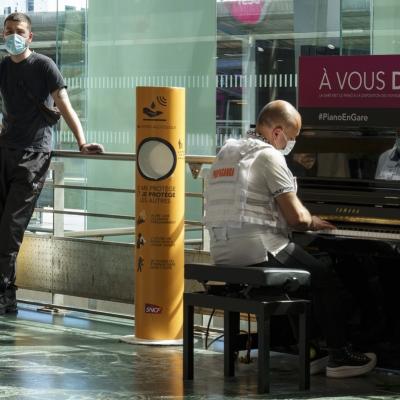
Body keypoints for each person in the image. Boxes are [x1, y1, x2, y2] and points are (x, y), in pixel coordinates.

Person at [204, 99, 377, 378]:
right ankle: (340, 356)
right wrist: (314, 221)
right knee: (324, 276)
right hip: (258, 248)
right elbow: (297, 218)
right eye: (292, 137)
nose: (291, 144)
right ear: (277, 132)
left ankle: (310, 352)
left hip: (222, 250)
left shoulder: (228, 152)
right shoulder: (269, 156)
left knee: (302, 276)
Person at [0, 12, 104, 315]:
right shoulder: (4, 67)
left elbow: (64, 104)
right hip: (5, 151)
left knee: (10, 229)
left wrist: (82, 142)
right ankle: (8, 297)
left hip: (34, 155)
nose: (12, 36)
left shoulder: (44, 66)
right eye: (8, 31)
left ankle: (4, 295)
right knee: (1, 229)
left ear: (30, 37)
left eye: (18, 31)